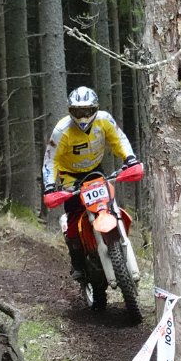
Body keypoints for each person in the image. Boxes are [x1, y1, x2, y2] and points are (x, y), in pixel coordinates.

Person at [41, 86, 139, 288]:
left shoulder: (104, 120)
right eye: (78, 111)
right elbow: (51, 160)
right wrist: (50, 186)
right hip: (70, 177)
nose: (83, 116)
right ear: (70, 111)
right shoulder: (62, 130)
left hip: (96, 171)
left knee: (109, 205)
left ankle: (117, 241)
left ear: (95, 109)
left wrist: (130, 159)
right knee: (74, 216)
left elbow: (119, 139)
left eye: (87, 111)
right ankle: (77, 262)